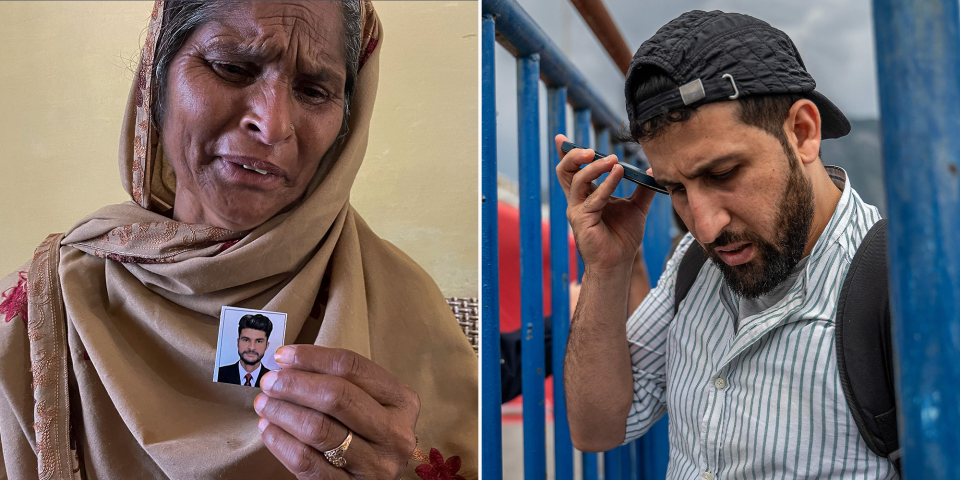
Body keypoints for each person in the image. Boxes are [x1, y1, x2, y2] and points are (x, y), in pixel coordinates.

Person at [0, 2, 477, 479]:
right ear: (156, 80)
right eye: (232, 67)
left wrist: (403, 465)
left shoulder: (404, 307)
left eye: (313, 90)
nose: (273, 125)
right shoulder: (44, 312)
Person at [557, 10, 898, 479]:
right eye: (675, 188)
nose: (706, 228)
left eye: (722, 174)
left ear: (802, 132)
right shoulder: (692, 266)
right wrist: (607, 267)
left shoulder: (901, 292)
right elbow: (596, 429)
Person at [218, 314, 274, 388]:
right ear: (238, 342)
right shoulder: (219, 374)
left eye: (259, 341)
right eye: (246, 340)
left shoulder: (274, 379)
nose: (251, 348)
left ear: (267, 345)